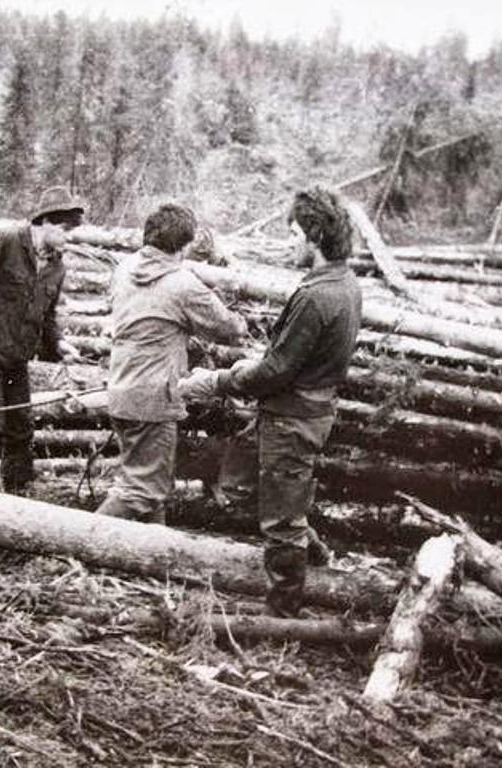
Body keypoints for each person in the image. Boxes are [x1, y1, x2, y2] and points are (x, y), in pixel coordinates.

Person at [177, 187, 362, 617]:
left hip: (294, 419)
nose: (290, 241)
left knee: (280, 521)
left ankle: (283, 611)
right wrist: (258, 364)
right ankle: (313, 554)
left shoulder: (319, 296)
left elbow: (276, 373)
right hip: (290, 413)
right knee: (241, 487)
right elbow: (288, 360)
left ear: (315, 235)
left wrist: (219, 379)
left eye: (295, 232)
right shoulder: (340, 282)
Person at [96, 204, 247, 524]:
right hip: (154, 397)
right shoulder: (182, 283)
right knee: (141, 492)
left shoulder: (124, 269)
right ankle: (75, 541)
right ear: (185, 245)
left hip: (122, 388)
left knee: (152, 485)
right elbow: (228, 327)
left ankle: (156, 558)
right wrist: (239, 318)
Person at [0, 186, 84, 494]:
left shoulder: (56, 266)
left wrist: (59, 343)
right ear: (45, 222)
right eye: (64, 229)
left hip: (17, 356)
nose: (69, 236)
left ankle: (18, 490)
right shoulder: (6, 242)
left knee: (22, 426)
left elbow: (47, 314)